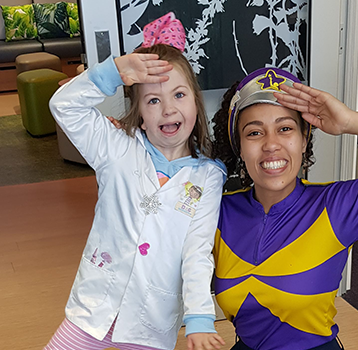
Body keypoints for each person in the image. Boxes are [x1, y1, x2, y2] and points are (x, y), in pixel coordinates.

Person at [210, 67, 358, 350]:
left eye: (285, 129)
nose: (271, 144)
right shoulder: (218, 211)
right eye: (255, 133)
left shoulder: (338, 205)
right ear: (240, 148)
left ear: (304, 140)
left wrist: (353, 121)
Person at [44, 12, 226, 350]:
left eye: (179, 95)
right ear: (140, 113)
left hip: (150, 317)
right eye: (153, 100)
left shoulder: (208, 177)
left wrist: (200, 317)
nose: (168, 109)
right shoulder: (116, 147)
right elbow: (64, 105)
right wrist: (114, 72)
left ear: (196, 103)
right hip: (95, 306)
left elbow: (197, 251)